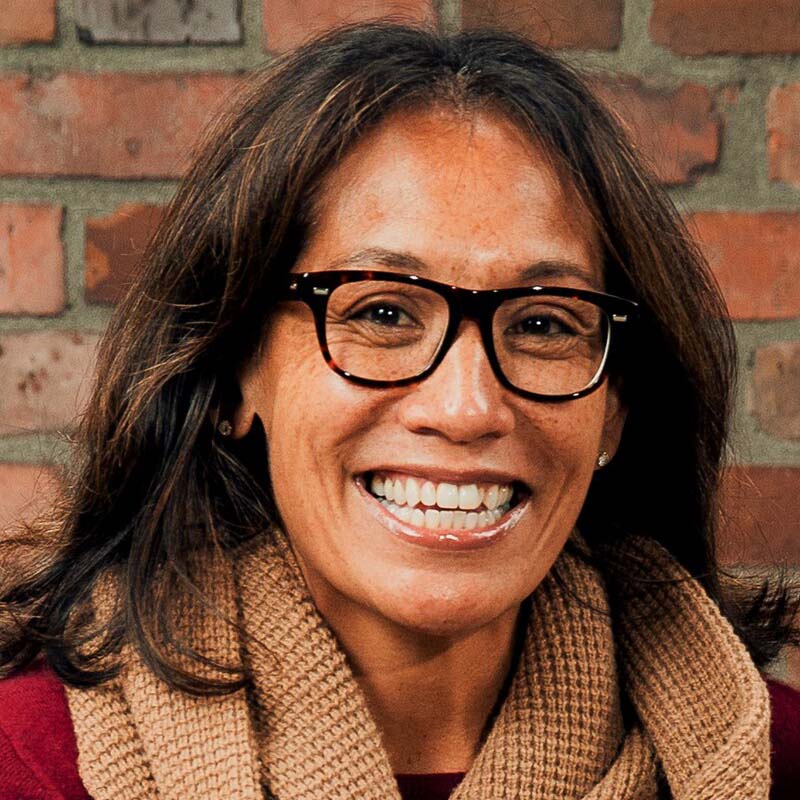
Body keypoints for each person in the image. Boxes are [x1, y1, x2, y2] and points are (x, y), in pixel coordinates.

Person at [0, 22, 798, 800]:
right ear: (236, 370)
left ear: (616, 408)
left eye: (545, 324)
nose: (466, 407)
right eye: (383, 313)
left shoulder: (774, 760)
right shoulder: (30, 761)